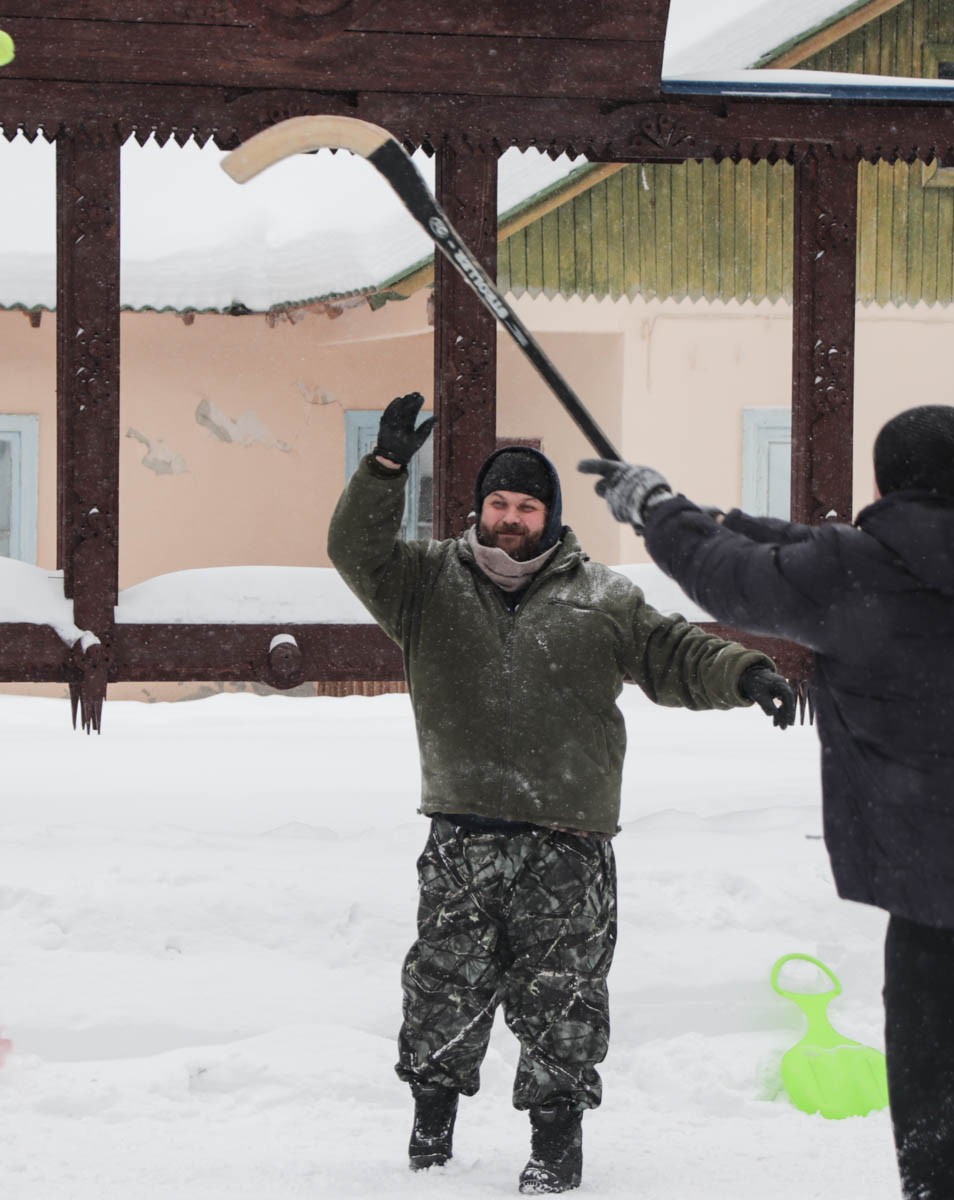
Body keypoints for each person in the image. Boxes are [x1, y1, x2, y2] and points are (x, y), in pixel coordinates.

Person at [579, 405, 954, 1200]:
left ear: (887, 481)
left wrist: (655, 508)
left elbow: (732, 580)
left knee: (945, 1147)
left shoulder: (854, 573)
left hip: (941, 917)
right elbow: (825, 553)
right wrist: (720, 518)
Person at [328, 391, 796, 1195]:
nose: (510, 518)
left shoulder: (602, 599)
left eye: (527, 506)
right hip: (462, 836)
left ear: (551, 514)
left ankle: (555, 1152)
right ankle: (429, 1143)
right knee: (443, 992)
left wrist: (744, 672)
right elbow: (353, 548)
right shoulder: (424, 585)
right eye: (498, 503)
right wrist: (384, 469)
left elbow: (675, 651)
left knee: (563, 1004)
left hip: (566, 843)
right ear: (479, 508)